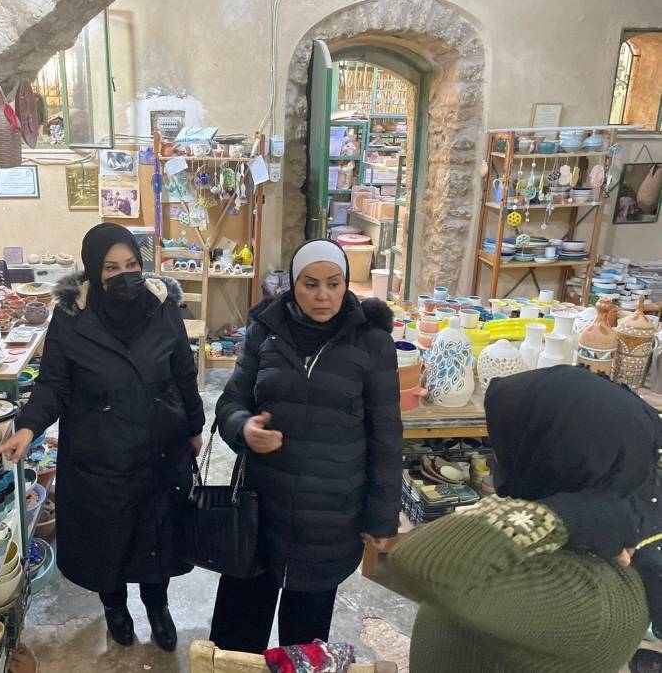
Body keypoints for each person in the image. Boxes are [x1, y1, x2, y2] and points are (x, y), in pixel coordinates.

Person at [0, 223, 204, 652]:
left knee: (158, 533)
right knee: (109, 537)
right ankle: (115, 608)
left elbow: (183, 371)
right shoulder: (72, 319)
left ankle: (157, 607)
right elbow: (53, 385)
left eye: (131, 264)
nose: (123, 275)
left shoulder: (161, 306)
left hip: (160, 444)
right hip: (99, 449)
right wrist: (28, 427)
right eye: (110, 267)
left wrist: (194, 426)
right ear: (92, 269)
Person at [391, 366, 658, 672]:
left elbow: (418, 559)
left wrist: (568, 515)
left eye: (506, 446)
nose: (497, 457)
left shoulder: (590, 597)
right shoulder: (573, 543)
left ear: (556, 458)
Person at [209, 239, 403, 653]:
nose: (323, 295)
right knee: (236, 641)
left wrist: (382, 517)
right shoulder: (265, 331)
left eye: (334, 284)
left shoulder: (371, 342)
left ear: (346, 283)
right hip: (261, 513)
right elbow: (230, 402)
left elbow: (386, 436)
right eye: (310, 284)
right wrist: (244, 428)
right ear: (293, 284)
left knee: (303, 647)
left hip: (329, 520)